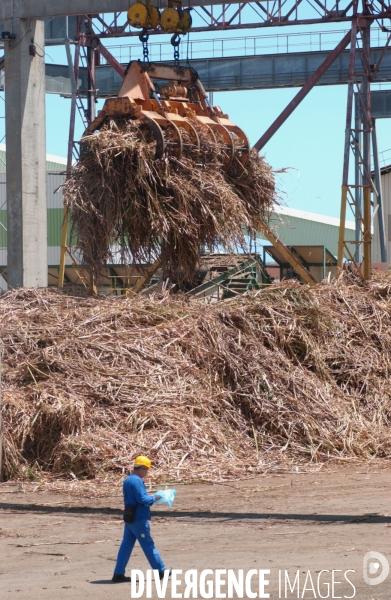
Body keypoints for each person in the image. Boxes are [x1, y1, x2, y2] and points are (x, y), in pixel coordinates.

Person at [112, 455, 168, 583]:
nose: (147, 472)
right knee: (148, 544)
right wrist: (156, 497)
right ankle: (161, 570)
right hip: (138, 518)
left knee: (126, 545)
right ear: (141, 468)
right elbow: (142, 499)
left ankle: (118, 573)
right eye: (147, 470)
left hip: (130, 517)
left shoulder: (128, 480)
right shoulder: (136, 481)